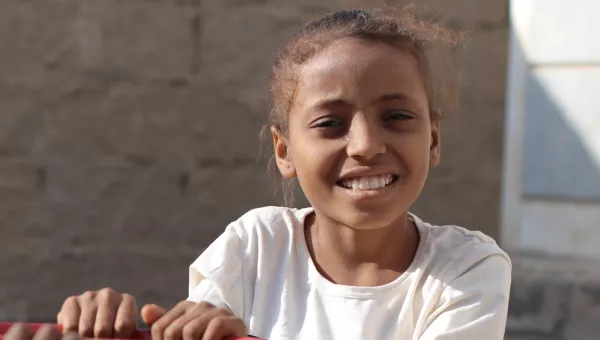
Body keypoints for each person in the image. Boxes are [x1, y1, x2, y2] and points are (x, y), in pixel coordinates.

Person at [54, 7, 512, 340]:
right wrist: (105, 328)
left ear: (433, 139)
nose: (367, 145)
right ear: (284, 150)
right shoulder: (254, 246)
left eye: (396, 117)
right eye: (330, 123)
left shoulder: (467, 268)